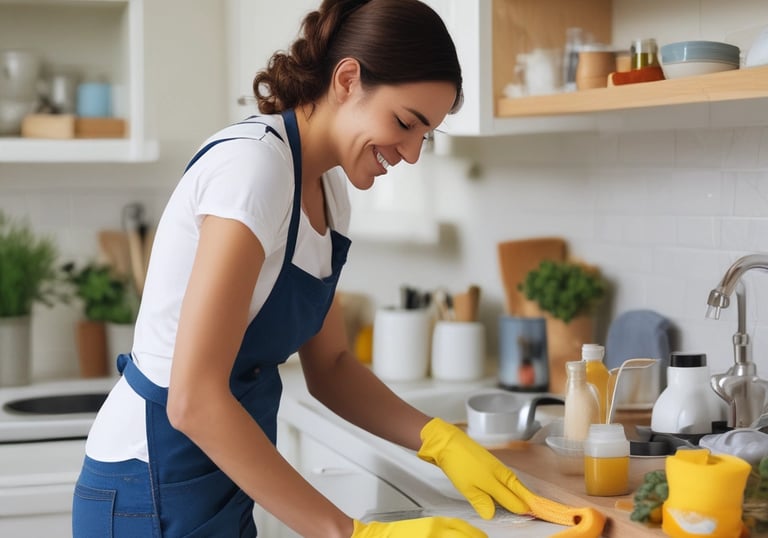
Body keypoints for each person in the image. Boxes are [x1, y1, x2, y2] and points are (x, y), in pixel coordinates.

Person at [72, 1, 601, 537]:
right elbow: (194, 401)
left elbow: (333, 366)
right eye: (404, 122)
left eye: (427, 135)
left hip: (220, 478)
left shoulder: (328, 190)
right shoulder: (253, 169)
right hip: (149, 483)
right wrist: (350, 533)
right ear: (348, 79)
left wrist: (441, 441)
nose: (413, 154)